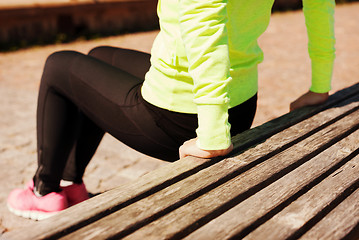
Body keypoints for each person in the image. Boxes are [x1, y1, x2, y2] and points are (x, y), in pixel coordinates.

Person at [7, 0, 335, 220]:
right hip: (241, 101)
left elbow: (205, 25)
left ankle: (44, 191)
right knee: (98, 55)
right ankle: (71, 184)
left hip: (180, 118)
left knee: (58, 67)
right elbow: (320, 4)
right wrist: (320, 85)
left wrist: (211, 134)